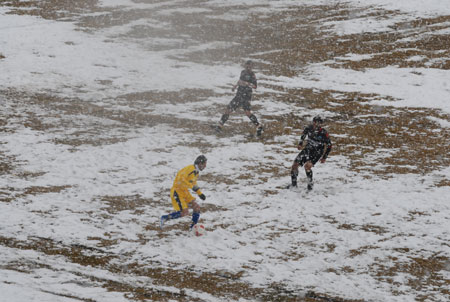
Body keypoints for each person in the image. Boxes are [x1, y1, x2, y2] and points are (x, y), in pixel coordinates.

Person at [215, 60, 263, 137]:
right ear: (245, 65)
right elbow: (240, 80)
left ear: (252, 67)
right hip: (239, 94)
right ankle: (219, 126)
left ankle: (259, 126)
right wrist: (235, 86)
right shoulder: (243, 72)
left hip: (246, 96)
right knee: (228, 109)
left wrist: (247, 84)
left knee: (247, 112)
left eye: (249, 66)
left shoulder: (252, 75)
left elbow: (255, 86)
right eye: (247, 65)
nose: (248, 67)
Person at [160, 155, 207, 230]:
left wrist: (200, 193)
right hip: (177, 191)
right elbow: (181, 179)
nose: (205, 166)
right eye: (204, 164)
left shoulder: (196, 172)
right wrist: (191, 186)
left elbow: (194, 183)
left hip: (185, 191)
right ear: (199, 163)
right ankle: (165, 217)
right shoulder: (190, 169)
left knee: (197, 207)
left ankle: (193, 227)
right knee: (184, 212)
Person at [289, 116, 332, 190]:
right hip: (308, 149)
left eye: (319, 123)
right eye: (315, 122)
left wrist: (324, 157)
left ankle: (310, 185)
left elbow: (329, 146)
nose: (317, 124)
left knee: (307, 166)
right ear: (313, 122)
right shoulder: (309, 128)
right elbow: (304, 134)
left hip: (317, 152)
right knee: (294, 165)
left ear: (321, 124)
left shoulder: (324, 133)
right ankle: (293, 185)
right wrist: (300, 143)